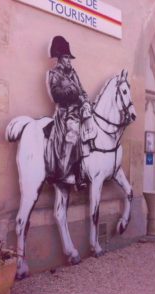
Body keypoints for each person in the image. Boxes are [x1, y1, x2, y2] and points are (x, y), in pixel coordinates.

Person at [45, 36, 93, 189]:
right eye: (66, 57)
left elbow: (83, 92)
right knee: (73, 134)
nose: (68, 61)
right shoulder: (54, 74)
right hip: (65, 114)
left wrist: (85, 102)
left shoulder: (73, 74)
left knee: (93, 131)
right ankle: (62, 173)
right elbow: (56, 95)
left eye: (69, 58)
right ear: (59, 58)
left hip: (78, 112)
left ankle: (84, 171)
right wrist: (73, 93)